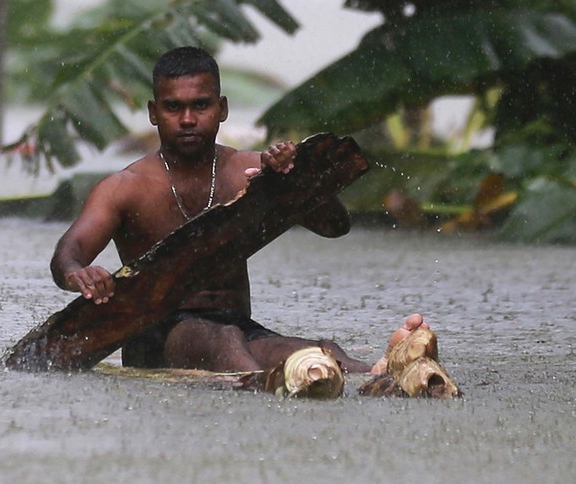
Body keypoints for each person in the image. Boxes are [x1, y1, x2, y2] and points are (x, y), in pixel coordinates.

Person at [50, 46, 426, 374]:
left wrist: (292, 184)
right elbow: (69, 254)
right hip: (157, 337)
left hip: (238, 329)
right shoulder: (123, 188)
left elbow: (336, 226)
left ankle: (383, 372)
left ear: (222, 108)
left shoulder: (251, 169)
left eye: (200, 105)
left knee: (317, 356)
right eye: (173, 107)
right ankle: (261, 384)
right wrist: (79, 275)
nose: (187, 120)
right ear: (153, 112)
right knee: (223, 340)